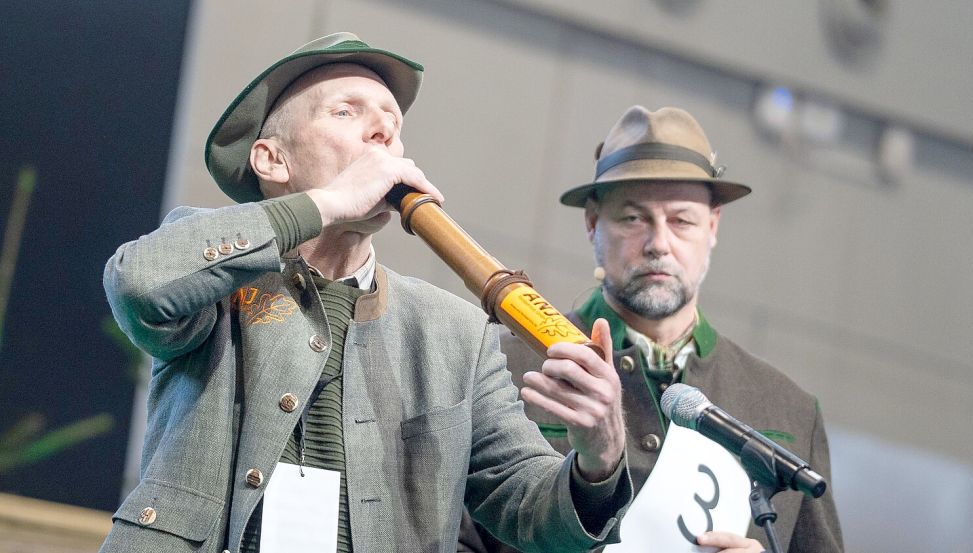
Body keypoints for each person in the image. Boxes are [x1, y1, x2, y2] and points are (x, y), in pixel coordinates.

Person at [99, 32, 632, 553]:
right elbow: (142, 284)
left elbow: (529, 509)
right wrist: (328, 202)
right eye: (345, 112)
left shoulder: (454, 333)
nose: (382, 132)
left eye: (392, 123)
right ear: (271, 160)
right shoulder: (218, 277)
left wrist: (598, 461)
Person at [459, 106, 844, 553]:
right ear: (592, 223)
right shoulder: (502, 368)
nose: (659, 243)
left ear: (713, 226)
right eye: (633, 218)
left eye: (681, 220)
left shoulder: (791, 412)